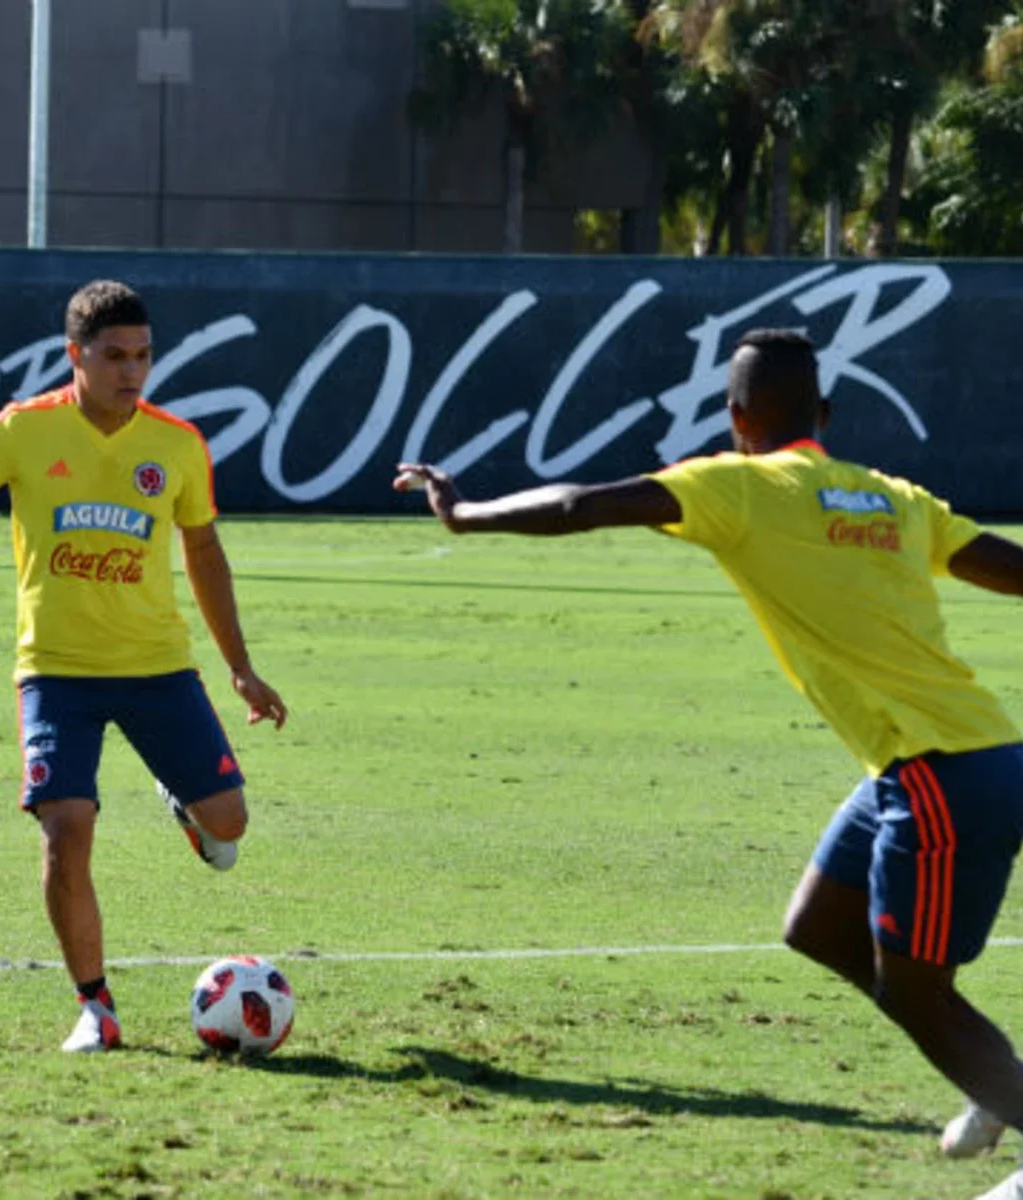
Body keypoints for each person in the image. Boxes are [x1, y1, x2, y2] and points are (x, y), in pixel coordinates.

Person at [397, 329, 1023, 1200]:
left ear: (734, 418)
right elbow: (1011, 567)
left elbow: (581, 504)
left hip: (940, 773)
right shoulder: (891, 497)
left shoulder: (736, 485)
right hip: (947, 756)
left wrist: (462, 513)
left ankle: (1003, 1090)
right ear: (826, 416)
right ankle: (991, 1078)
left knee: (918, 994)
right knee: (817, 927)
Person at [0, 279, 286, 1054]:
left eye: (143, 356)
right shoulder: (23, 431)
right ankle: (95, 1009)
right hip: (55, 672)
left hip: (158, 668)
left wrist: (239, 667)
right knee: (66, 834)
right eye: (113, 357)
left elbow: (203, 550)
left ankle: (183, 801)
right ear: (76, 356)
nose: (132, 371)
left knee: (228, 826)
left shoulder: (175, 444)